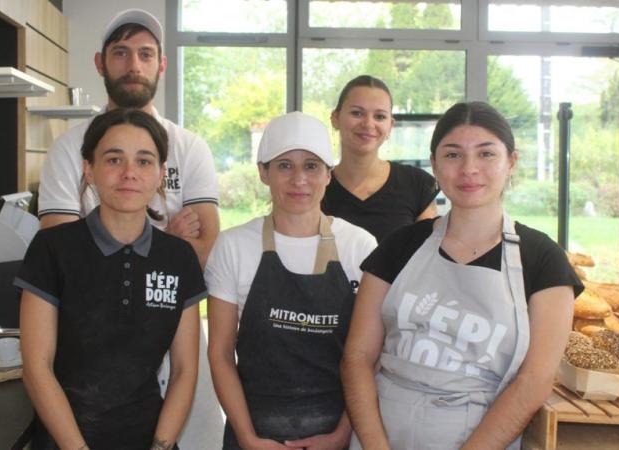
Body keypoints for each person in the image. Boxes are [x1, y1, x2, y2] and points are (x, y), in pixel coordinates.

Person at [341, 102, 584, 450]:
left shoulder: (544, 260)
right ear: (435, 165)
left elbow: (534, 381)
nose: (469, 169)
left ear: (510, 162)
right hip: (378, 437)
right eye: (453, 155)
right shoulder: (399, 246)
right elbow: (357, 358)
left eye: (486, 154)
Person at [16, 109, 206, 450]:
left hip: (150, 440)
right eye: (114, 159)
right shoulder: (53, 248)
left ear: (161, 174)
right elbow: (36, 368)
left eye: (144, 161)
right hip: (64, 440)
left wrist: (160, 447)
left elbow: (183, 371)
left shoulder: (179, 258)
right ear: (89, 169)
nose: (130, 173)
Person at [206, 112, 377, 450]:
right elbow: (220, 354)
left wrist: (344, 432)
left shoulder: (359, 246)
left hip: (339, 431)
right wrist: (247, 437)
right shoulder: (234, 246)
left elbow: (374, 353)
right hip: (254, 430)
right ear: (263, 172)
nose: (299, 179)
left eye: (312, 166)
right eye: (285, 165)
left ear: (329, 174)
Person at [38, 9, 219, 266]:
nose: (134, 66)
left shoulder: (190, 148)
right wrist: (166, 242)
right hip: (87, 308)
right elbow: (59, 258)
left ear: (162, 65)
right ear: (100, 63)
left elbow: (205, 254)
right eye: (121, 53)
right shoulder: (67, 149)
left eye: (145, 54)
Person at [322, 75, 438, 242]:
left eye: (380, 116)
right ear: (335, 118)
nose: (368, 124)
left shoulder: (417, 184)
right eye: (357, 113)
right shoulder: (315, 188)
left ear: (390, 125)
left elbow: (426, 257)